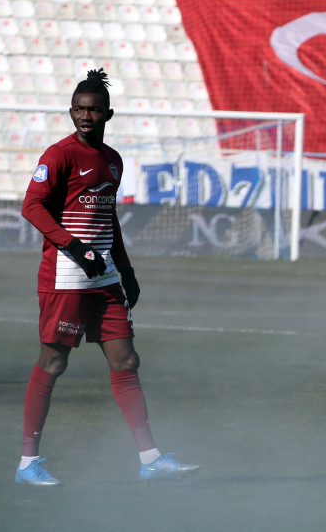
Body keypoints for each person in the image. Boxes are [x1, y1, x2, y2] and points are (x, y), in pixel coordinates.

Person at [16, 69, 199, 485]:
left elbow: (108, 219)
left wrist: (126, 270)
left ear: (108, 114)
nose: (86, 116)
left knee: (126, 360)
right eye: (79, 110)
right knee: (53, 362)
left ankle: (150, 460)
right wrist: (75, 248)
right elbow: (32, 206)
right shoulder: (57, 155)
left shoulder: (113, 160)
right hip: (66, 276)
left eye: (94, 110)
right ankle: (28, 463)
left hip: (104, 278)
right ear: (71, 112)